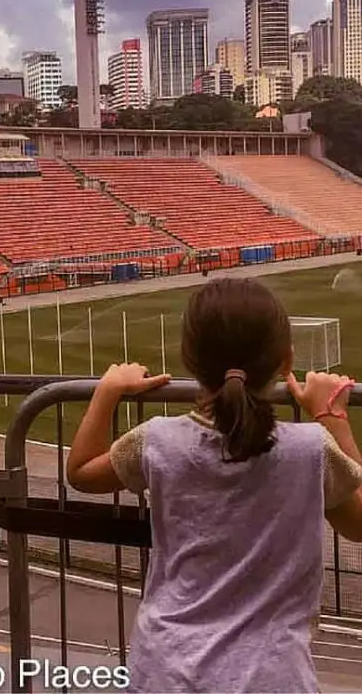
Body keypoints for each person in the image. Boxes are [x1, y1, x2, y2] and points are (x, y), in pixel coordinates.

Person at [66, 277, 362, 693]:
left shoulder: (156, 440)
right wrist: (332, 415)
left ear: (190, 360)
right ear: (285, 360)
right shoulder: (311, 450)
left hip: (163, 670)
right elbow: (359, 523)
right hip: (271, 678)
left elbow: (80, 471)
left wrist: (108, 391)